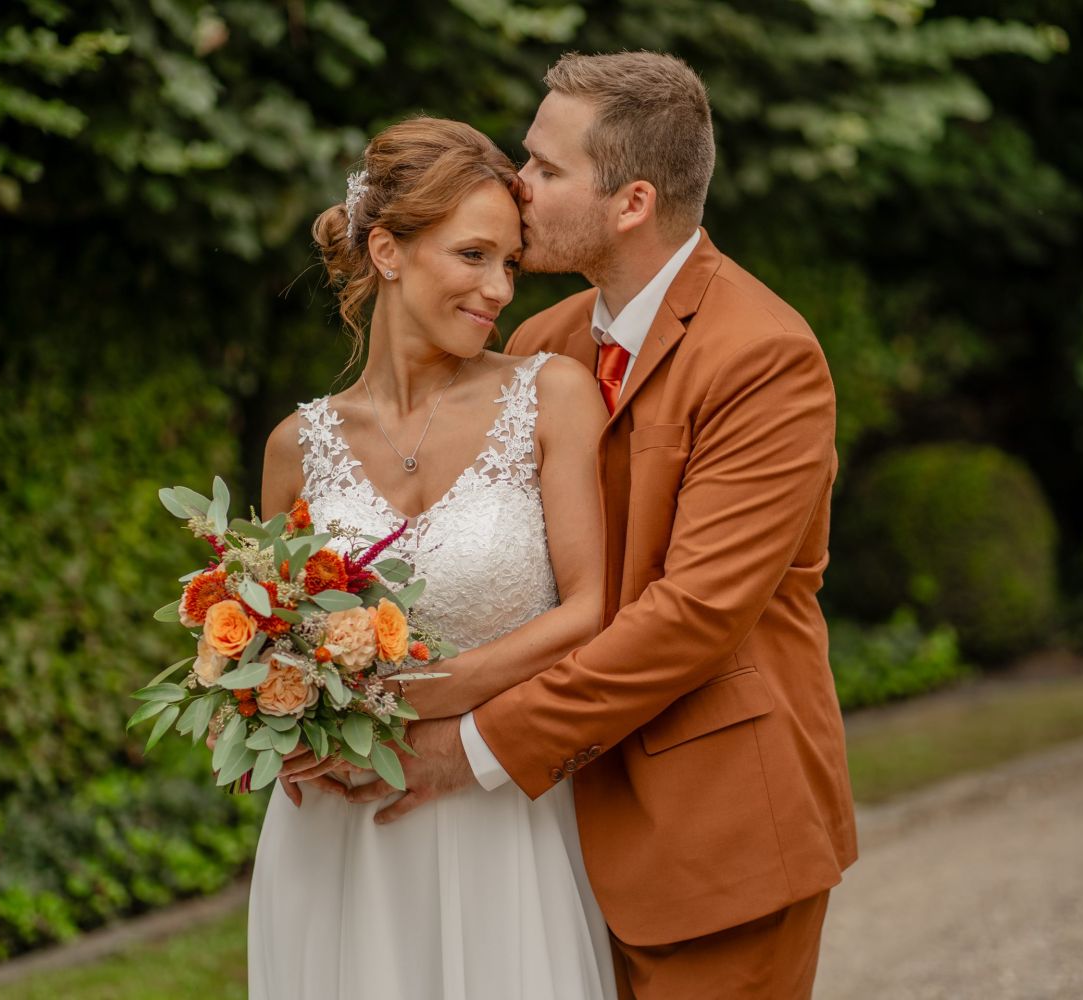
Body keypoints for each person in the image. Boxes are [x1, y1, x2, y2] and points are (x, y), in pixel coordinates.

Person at [332, 52, 859, 998]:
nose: (516, 187)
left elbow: (693, 616)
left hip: (712, 837)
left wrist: (471, 747)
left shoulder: (765, 357)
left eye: (544, 167)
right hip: (540, 845)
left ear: (631, 202)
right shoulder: (541, 345)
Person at [250, 116, 617, 999]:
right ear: (387, 250)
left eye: (510, 264)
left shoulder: (551, 396)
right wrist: (263, 719)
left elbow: (589, 609)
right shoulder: (297, 447)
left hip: (503, 821)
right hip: (338, 835)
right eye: (473, 255)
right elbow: (271, 644)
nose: (499, 289)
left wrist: (443, 695)